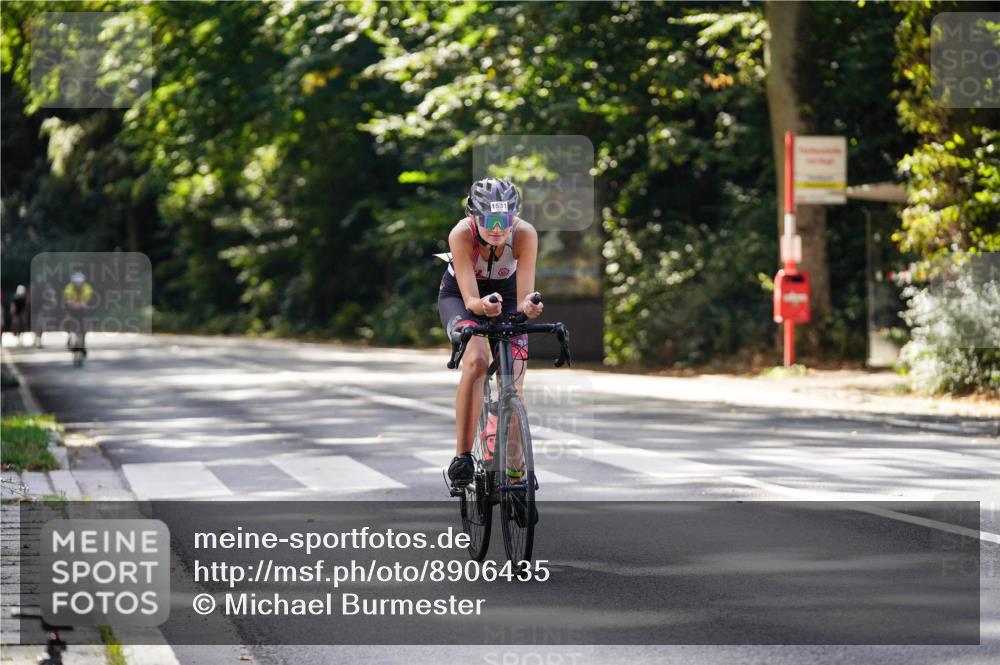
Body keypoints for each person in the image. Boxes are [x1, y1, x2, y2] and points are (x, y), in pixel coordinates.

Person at [439, 177, 543, 488]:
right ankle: (462, 456)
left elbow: (524, 297)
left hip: (506, 294)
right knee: (478, 360)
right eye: (489, 220)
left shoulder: (524, 234)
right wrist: (481, 306)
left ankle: (515, 473)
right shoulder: (461, 234)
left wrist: (530, 307)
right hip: (461, 296)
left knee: (514, 381)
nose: (497, 228)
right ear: (474, 216)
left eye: (505, 220)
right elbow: (471, 300)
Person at [63, 272, 94, 354]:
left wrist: (82, 304)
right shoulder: (69, 287)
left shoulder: (87, 287)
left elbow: (86, 300)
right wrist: (74, 304)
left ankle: (83, 344)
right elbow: (69, 300)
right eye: (76, 283)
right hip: (71, 307)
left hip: (82, 307)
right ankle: (69, 336)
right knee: (68, 319)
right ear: (73, 283)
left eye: (80, 283)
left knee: (84, 324)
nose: (78, 285)